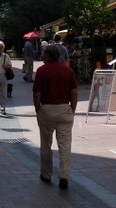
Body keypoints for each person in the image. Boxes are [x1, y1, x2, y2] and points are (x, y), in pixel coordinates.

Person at [33, 43, 78, 190]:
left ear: (49, 55)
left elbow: (37, 93)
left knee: (46, 144)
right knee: (65, 145)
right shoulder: (68, 70)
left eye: (44, 53)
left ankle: (46, 173)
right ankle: (64, 176)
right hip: (65, 108)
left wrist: (38, 109)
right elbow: (74, 93)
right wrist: (72, 109)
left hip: (47, 109)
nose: (42, 55)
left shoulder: (41, 71)